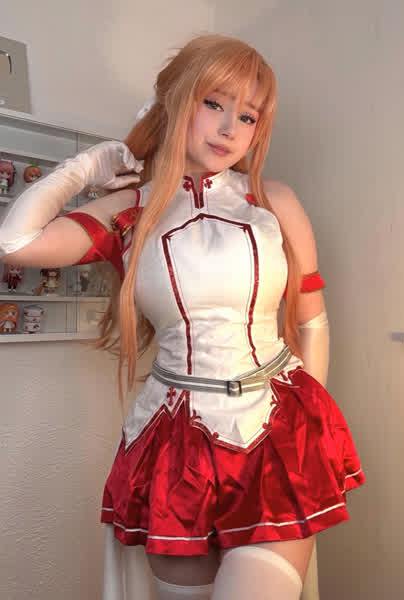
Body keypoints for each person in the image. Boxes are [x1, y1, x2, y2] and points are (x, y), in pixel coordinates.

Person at [0, 34, 365, 600]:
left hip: (274, 433)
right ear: (174, 102)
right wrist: (86, 167)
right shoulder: (130, 210)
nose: (229, 129)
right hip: (172, 447)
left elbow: (312, 321)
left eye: (248, 116)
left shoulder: (275, 202)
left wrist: (308, 424)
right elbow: (16, 242)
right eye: (213, 103)